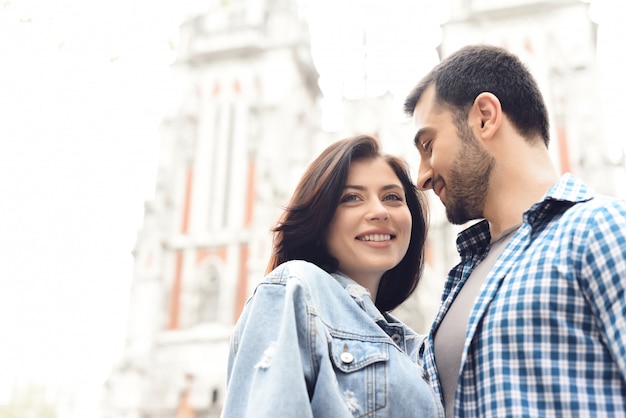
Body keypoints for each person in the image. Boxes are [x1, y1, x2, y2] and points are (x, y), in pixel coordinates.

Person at [403, 44, 626, 417]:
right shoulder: (460, 277)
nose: (422, 176)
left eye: (428, 145)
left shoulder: (599, 229)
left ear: (485, 118)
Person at [221, 134, 443, 417]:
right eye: (352, 198)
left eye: (392, 197)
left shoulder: (414, 347)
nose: (379, 211)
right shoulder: (295, 288)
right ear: (320, 218)